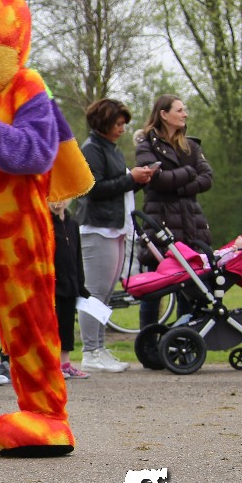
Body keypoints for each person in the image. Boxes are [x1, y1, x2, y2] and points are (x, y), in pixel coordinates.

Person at [77, 98, 155, 373]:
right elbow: (94, 188)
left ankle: (99, 347)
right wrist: (131, 179)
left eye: (123, 124)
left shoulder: (111, 149)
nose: (122, 128)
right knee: (95, 292)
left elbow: (118, 188)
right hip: (98, 228)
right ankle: (90, 350)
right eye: (118, 124)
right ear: (104, 123)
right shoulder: (91, 149)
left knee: (106, 292)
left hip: (115, 227)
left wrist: (138, 181)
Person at [133, 95, 213, 330]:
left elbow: (207, 178)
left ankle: (182, 340)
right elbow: (157, 180)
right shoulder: (146, 146)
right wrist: (189, 172)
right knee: (154, 289)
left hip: (190, 224)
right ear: (164, 114)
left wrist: (178, 187)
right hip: (160, 224)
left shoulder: (191, 146)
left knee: (188, 289)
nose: (185, 114)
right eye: (179, 110)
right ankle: (148, 341)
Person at [50, 200, 90, 379]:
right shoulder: (45, 224)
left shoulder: (72, 225)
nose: (58, 202)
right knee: (52, 326)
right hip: (53, 285)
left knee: (67, 325)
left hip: (70, 283)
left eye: (62, 197)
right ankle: (51, 364)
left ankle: (65, 363)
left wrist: (80, 284)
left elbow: (77, 256)